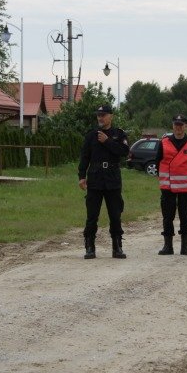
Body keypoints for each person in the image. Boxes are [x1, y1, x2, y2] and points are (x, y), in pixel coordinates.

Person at [78, 104, 130, 260]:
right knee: (92, 215)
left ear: (111, 116)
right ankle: (90, 246)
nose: (100, 118)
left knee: (115, 215)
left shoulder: (118, 134)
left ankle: (117, 247)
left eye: (103, 115)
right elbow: (84, 157)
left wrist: (107, 141)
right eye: (98, 115)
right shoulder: (91, 135)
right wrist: (81, 176)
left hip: (112, 179)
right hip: (95, 178)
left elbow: (124, 152)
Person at [155, 114, 187, 256]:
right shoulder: (164, 142)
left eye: (181, 125)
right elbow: (158, 161)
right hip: (167, 187)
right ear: (173, 126)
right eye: (176, 125)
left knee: (185, 216)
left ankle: (185, 246)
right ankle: (167, 246)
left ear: (186, 126)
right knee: (167, 217)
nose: (178, 127)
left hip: (186, 188)